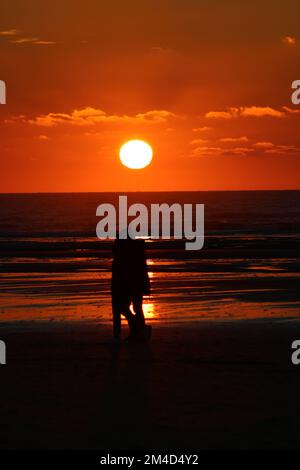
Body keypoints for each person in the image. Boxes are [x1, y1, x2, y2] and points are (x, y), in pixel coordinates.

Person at [111, 233, 151, 341]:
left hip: (128, 283)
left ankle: (137, 330)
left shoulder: (126, 255)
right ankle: (138, 330)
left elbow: (123, 272)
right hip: (135, 283)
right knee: (134, 307)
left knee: (124, 307)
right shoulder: (135, 253)